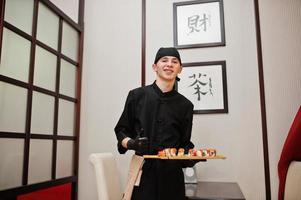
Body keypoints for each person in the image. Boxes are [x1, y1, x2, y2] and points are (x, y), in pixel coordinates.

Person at [114, 47, 197, 200]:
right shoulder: (136, 96)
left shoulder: (186, 105)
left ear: (180, 69)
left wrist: (189, 157)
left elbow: (185, 143)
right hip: (143, 172)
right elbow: (121, 131)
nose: (169, 64)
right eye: (164, 60)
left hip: (172, 177)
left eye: (174, 61)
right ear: (154, 67)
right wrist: (132, 144)